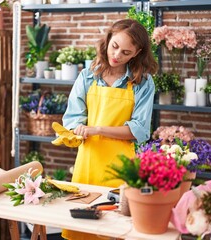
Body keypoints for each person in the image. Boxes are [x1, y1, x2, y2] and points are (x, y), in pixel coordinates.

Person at [61, 18, 158, 240]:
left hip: (122, 167)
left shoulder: (143, 83)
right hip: (87, 164)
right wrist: (76, 130)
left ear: (137, 53)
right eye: (115, 47)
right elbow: (73, 119)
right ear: (107, 41)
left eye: (126, 52)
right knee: (82, 229)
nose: (117, 55)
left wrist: (95, 130)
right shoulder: (87, 76)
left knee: (116, 229)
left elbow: (139, 130)